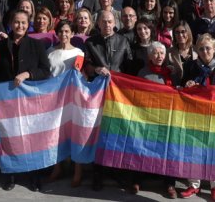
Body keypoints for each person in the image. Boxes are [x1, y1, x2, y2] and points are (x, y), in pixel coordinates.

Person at [0, 10, 52, 192]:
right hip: (7, 101)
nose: (20, 26)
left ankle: (33, 176)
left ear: (28, 24)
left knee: (31, 138)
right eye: (17, 22)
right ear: (10, 23)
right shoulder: (2, 45)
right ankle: (10, 175)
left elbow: (45, 70)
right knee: (9, 138)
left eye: (24, 23)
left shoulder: (36, 44)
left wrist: (28, 74)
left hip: (29, 101)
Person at [179, 33, 215, 201]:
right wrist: (187, 84)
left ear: (214, 48)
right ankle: (193, 185)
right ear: (197, 49)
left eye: (208, 48)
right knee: (194, 150)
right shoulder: (190, 66)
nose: (205, 51)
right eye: (201, 48)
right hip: (196, 114)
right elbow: (182, 87)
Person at [83, 10, 132, 191]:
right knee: (99, 133)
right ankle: (98, 173)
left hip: (118, 94)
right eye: (104, 22)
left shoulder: (123, 40)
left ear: (115, 22)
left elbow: (129, 65)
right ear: (98, 24)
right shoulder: (90, 42)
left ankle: (117, 171)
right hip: (97, 93)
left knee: (117, 133)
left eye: (110, 21)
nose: (107, 25)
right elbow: (86, 65)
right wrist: (96, 69)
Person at [136, 41, 179, 199]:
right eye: (155, 53)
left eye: (162, 53)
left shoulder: (171, 73)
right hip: (148, 116)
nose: (159, 56)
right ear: (150, 56)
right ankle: (138, 180)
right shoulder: (143, 73)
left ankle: (169, 184)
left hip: (167, 118)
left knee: (167, 151)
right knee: (143, 148)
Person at [46, 19, 85, 187]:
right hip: (54, 98)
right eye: (61, 31)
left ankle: (78, 170)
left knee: (75, 134)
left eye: (67, 31)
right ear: (56, 33)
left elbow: (82, 75)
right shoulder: (49, 52)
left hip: (73, 98)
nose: (64, 34)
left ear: (72, 33)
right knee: (56, 133)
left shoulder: (79, 53)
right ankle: (58, 167)